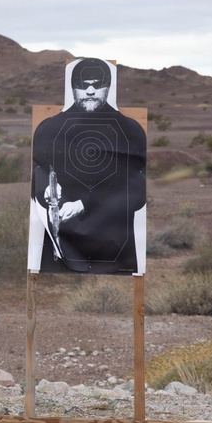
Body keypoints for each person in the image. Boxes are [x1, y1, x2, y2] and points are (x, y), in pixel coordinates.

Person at [29, 57, 147, 274]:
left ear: (108, 86)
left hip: (114, 248)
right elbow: (38, 176)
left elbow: (137, 192)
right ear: (73, 87)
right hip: (60, 246)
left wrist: (85, 203)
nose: (90, 91)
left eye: (97, 84)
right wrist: (46, 188)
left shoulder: (130, 131)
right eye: (83, 85)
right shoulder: (49, 130)